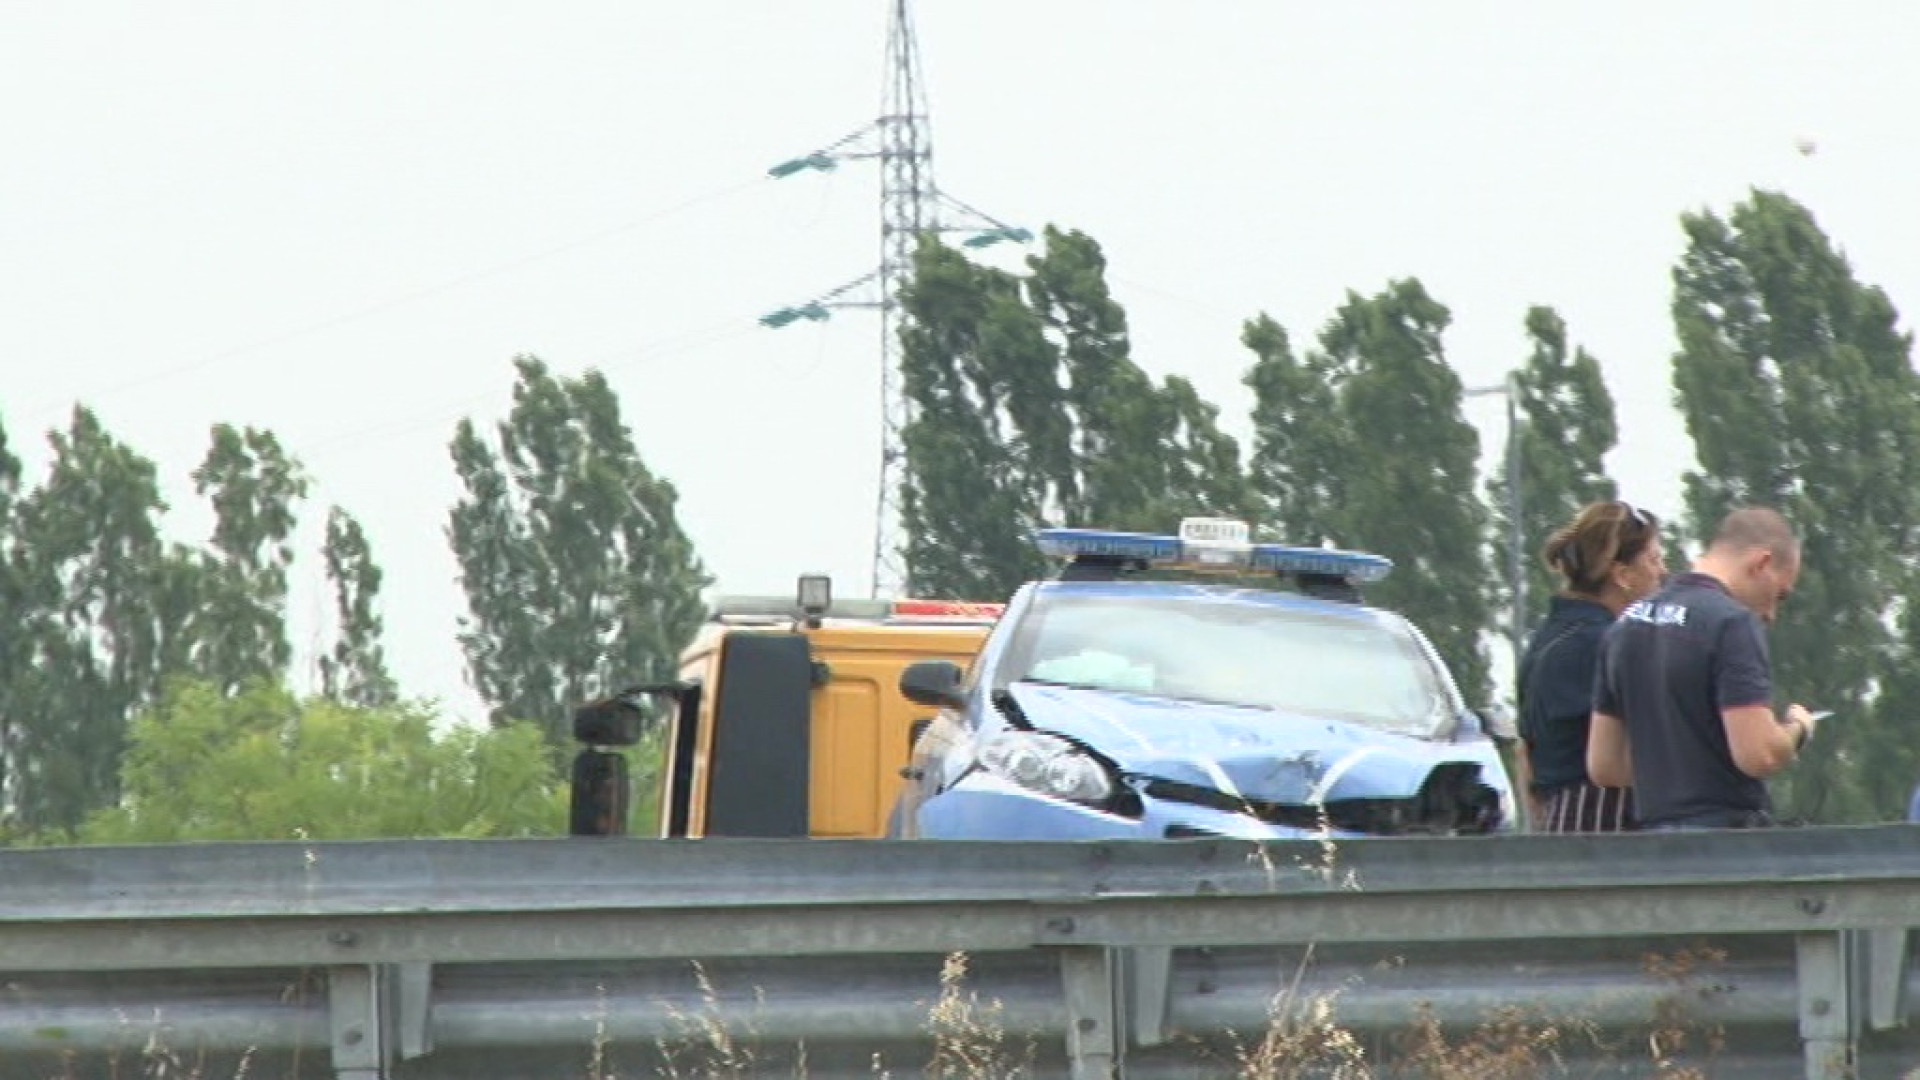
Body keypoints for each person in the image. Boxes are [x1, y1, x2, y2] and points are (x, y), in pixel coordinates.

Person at [1587, 506, 1818, 830]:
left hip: (1653, 841)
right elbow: (1759, 755)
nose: (1771, 614)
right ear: (1761, 564)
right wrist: (1798, 728)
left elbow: (1605, 765)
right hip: (1722, 839)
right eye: (1779, 595)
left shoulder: (1625, 626)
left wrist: (1679, 761)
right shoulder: (1731, 623)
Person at [1514, 500, 1667, 832]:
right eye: (1654, 560)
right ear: (1623, 575)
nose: (1663, 572)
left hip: (1557, 822)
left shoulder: (1546, 640)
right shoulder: (1606, 645)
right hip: (1607, 820)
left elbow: (1524, 752)